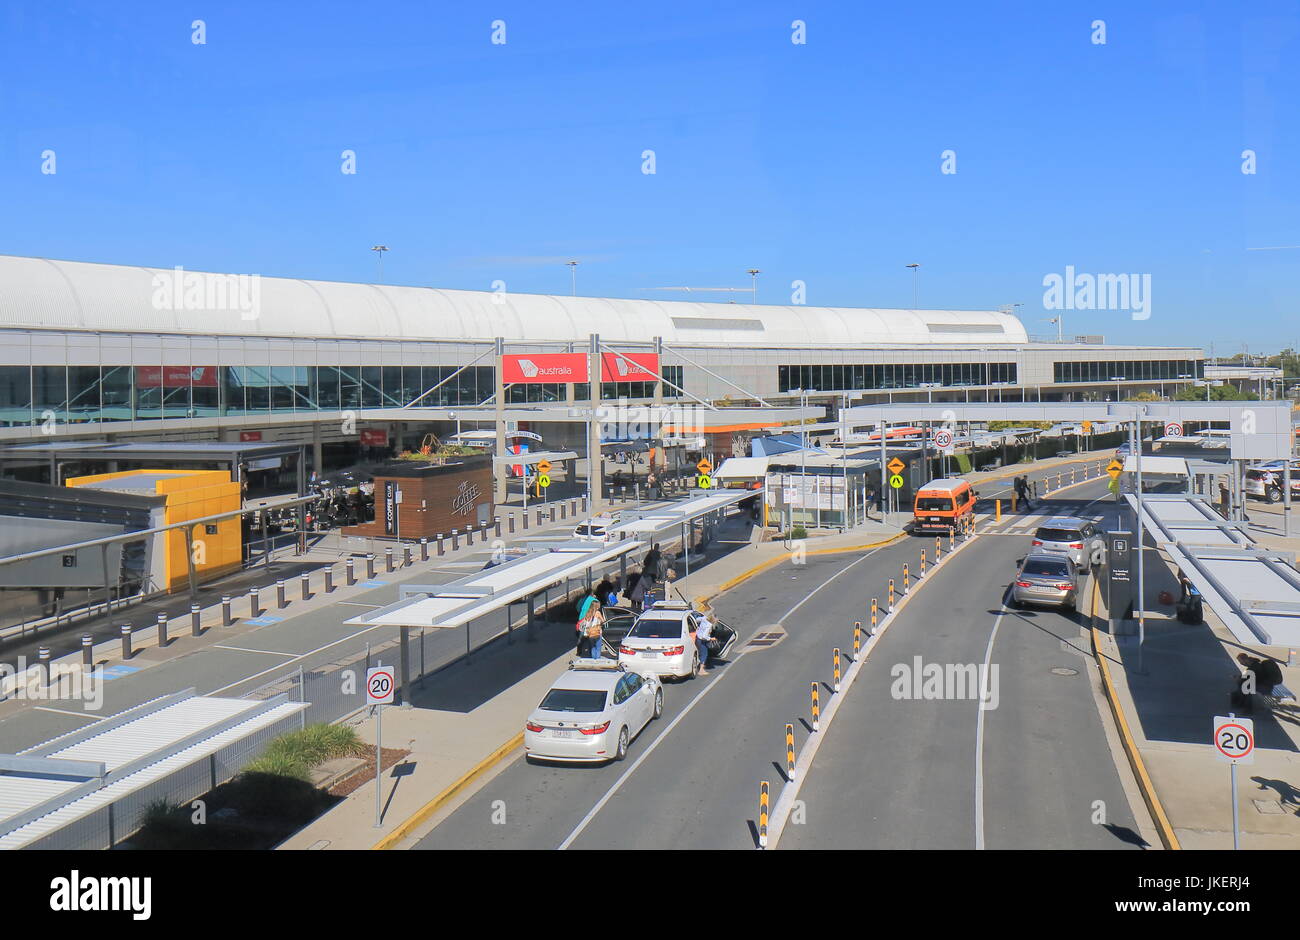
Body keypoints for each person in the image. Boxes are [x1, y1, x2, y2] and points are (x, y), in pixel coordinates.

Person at [693, 602, 717, 674]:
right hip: (701, 640)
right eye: (716, 620)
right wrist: (711, 639)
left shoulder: (704, 619)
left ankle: (699, 666)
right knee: (704, 653)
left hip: (697, 638)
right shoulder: (709, 626)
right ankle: (701, 670)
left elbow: (697, 620)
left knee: (700, 652)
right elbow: (704, 636)